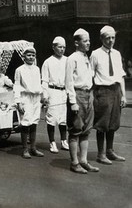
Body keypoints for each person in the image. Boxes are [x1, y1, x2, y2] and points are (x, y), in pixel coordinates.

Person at [90, 25, 127, 165]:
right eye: (108, 38)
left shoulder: (117, 54)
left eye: (113, 38)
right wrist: (91, 94)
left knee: (113, 122)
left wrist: (123, 95)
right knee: (102, 123)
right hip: (102, 91)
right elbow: (91, 75)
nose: (111, 41)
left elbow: (121, 75)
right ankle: (100, 154)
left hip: (116, 90)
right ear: (101, 38)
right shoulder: (95, 54)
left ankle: (110, 151)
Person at [65, 28, 99, 174]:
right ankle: (74, 162)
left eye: (89, 40)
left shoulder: (87, 57)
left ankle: (83, 161)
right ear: (77, 43)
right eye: (85, 41)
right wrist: (73, 102)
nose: (88, 43)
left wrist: (91, 95)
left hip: (88, 94)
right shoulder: (72, 58)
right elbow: (68, 82)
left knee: (86, 130)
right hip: (77, 96)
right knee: (76, 130)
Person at [14, 46, 44, 159]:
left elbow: (38, 84)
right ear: (24, 57)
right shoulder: (20, 70)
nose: (31, 57)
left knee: (34, 122)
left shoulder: (36, 69)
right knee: (25, 123)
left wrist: (42, 96)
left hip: (35, 98)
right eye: (28, 55)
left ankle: (33, 148)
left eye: (33, 55)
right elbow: (16, 86)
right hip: (25, 98)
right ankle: (25, 149)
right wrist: (18, 102)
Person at [41, 36, 69, 153]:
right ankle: (52, 142)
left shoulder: (68, 60)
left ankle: (63, 140)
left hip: (64, 91)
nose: (62, 49)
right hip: (52, 91)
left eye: (64, 47)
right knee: (52, 118)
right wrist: (45, 96)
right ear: (53, 47)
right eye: (59, 47)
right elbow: (45, 81)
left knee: (63, 118)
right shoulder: (48, 62)